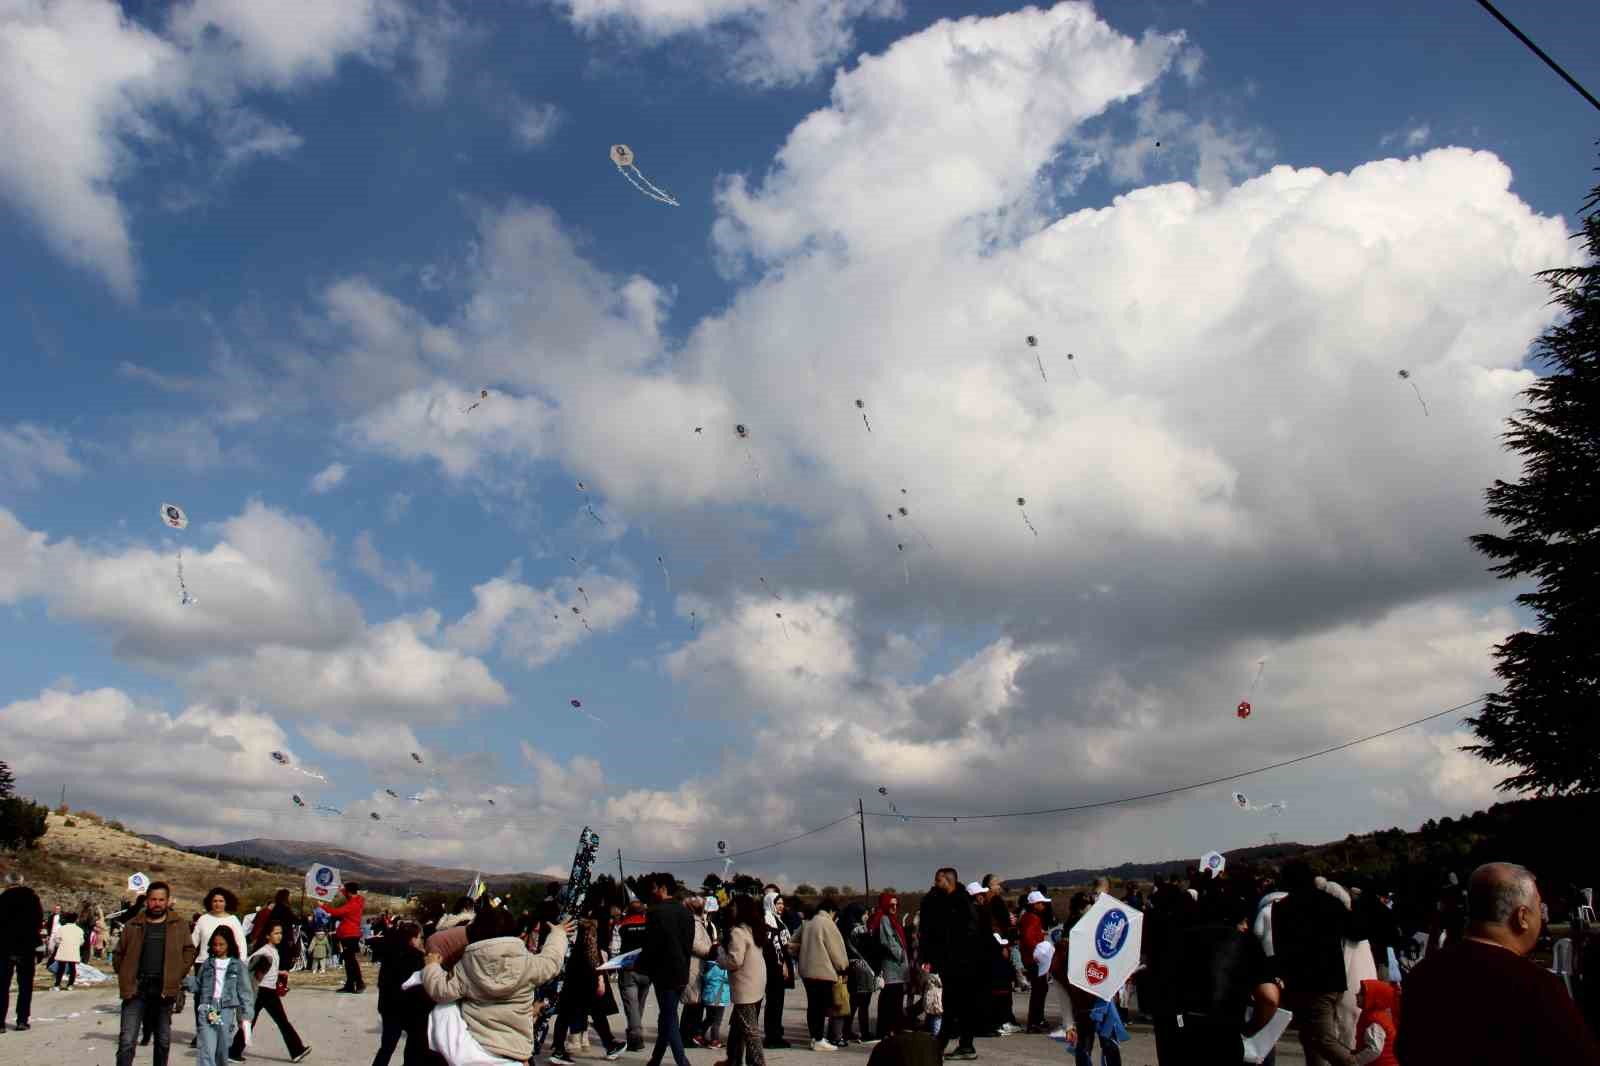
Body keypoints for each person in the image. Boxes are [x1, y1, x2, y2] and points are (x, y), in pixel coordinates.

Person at [1395, 862, 1600, 1064]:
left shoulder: (1422, 975)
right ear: (1522, 917)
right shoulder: (1537, 986)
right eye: (1538, 906)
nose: (1542, 917)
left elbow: (1406, 1050)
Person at [421, 904, 570, 1064]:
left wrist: (432, 966)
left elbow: (441, 990)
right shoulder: (528, 964)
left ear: (475, 932)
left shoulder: (467, 966)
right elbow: (552, 960)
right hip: (516, 1051)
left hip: (478, 1048)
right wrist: (558, 935)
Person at [1172, 890, 1281, 1066]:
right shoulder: (1245, 943)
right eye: (1244, 921)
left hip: (1180, 1030)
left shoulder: (1180, 939)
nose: (1246, 926)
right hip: (1225, 1032)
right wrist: (1251, 1028)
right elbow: (1269, 998)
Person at [1272, 862, 1357, 1066]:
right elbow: (1352, 930)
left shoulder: (1283, 908)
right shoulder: (1331, 902)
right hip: (1333, 977)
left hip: (1305, 982)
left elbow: (1281, 948)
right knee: (1313, 1038)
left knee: (1320, 1039)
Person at [114, 882, 197, 1066]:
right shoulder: (133, 925)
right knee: (127, 1039)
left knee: (163, 1040)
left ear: (167, 901)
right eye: (153, 899)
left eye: (161, 900)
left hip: (163, 990)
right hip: (136, 989)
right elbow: (119, 953)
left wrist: (177, 973)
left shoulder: (179, 925)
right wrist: (125, 974)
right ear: (146, 901)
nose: (157, 903)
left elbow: (189, 950)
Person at [916, 869, 980, 1061]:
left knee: (957, 1004)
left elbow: (968, 932)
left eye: (938, 880)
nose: (935, 883)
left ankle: (951, 1044)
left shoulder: (961, 902)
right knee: (953, 1004)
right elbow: (930, 931)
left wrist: (957, 954)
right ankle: (955, 1044)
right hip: (949, 962)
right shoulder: (940, 901)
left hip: (961, 963)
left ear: (948, 881)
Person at [229, 920, 310, 1063]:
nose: (279, 936)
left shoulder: (272, 950)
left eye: (280, 933)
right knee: (282, 1021)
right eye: (276, 933)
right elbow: (249, 967)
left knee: (252, 1021)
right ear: (268, 935)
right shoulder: (265, 952)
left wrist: (279, 972)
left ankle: (234, 1051)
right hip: (263, 991)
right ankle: (297, 1050)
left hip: (266, 990)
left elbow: (266, 969)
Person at [549, 917, 626, 1065]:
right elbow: (595, 963)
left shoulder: (574, 944)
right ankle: (610, 1045)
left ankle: (558, 1049)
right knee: (598, 1014)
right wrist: (601, 981)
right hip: (588, 985)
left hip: (572, 984)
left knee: (565, 1016)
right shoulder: (590, 943)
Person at [638, 874, 696, 1066]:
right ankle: (656, 1059)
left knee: (669, 1017)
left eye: (654, 888)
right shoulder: (686, 912)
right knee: (667, 1014)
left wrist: (638, 964)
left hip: (663, 972)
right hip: (682, 971)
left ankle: (682, 1062)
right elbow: (688, 944)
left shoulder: (655, 912)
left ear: (663, 888)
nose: (652, 892)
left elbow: (651, 946)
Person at [185, 926, 253, 1066]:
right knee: (206, 1047)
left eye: (221, 944)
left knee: (222, 1048)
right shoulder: (207, 964)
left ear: (229, 944)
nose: (217, 948)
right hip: (208, 1008)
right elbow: (198, 984)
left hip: (225, 1009)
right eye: (215, 944)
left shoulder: (238, 965)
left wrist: (246, 1016)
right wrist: (182, 980)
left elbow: (245, 992)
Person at [714, 894, 769, 1066]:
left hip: (745, 985)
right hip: (757, 982)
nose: (731, 908)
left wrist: (719, 956)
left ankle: (758, 1063)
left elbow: (734, 961)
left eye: (734, 906)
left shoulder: (737, 932)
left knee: (749, 1029)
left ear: (741, 909)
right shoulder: (753, 928)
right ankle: (733, 1059)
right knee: (738, 1025)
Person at [372, 920, 430, 1066]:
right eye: (420, 937)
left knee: (386, 1047)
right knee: (413, 1046)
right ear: (413, 938)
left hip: (389, 1007)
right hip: (410, 1009)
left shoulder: (389, 954)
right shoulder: (417, 957)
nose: (421, 941)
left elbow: (381, 983)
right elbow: (419, 986)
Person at [798, 896, 849, 1051]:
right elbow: (836, 949)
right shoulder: (827, 923)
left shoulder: (808, 922)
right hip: (823, 970)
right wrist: (843, 968)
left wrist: (805, 950)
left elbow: (792, 942)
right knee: (820, 1007)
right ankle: (819, 1039)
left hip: (806, 970)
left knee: (812, 1005)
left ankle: (815, 1037)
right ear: (831, 911)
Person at [0, 884, 43, 1032]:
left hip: (5, 947)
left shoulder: (3, 899)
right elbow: (38, 923)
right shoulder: (32, 899)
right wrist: (38, 946)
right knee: (25, 986)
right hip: (26, 947)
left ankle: (0, 1023)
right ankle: (22, 1020)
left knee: (2, 986)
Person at [867, 892, 910, 1040]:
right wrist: (901, 954)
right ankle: (888, 1029)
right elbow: (888, 941)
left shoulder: (892, 919)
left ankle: (891, 1028)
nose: (895, 907)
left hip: (896, 966)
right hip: (892, 966)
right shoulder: (885, 919)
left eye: (897, 904)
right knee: (891, 999)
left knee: (894, 998)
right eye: (891, 905)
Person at [618, 891, 653, 1051]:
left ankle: (636, 1037)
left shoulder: (622, 925)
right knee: (639, 1005)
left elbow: (614, 945)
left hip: (628, 969)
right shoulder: (650, 924)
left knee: (631, 1005)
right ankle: (634, 1033)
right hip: (647, 969)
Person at [761, 890, 794, 1049]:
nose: (781, 906)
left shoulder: (777, 919)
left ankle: (776, 1035)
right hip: (774, 968)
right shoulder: (768, 920)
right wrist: (782, 963)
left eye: (782, 903)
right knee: (773, 1002)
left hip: (780, 966)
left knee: (778, 1002)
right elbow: (771, 947)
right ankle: (771, 1037)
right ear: (770, 904)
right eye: (778, 903)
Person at [324, 882, 366, 993]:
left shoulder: (352, 904)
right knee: (348, 961)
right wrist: (341, 888)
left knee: (351, 961)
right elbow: (347, 894)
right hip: (351, 934)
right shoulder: (359, 899)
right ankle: (350, 984)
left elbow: (336, 912)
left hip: (349, 934)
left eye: (345, 891)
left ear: (348, 892)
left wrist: (322, 906)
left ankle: (359, 983)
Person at [1019, 892, 1049, 1033]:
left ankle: (1037, 1019)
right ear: (1034, 905)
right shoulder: (1033, 918)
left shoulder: (1026, 917)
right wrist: (1039, 950)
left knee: (1041, 988)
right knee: (1039, 990)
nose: (1044, 905)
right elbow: (1028, 937)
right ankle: (1034, 1022)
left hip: (1029, 958)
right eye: (1041, 903)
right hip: (1034, 959)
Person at [1351, 979, 1398, 1066]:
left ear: (1374, 998)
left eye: (1362, 994)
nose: (1357, 995)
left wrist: (1354, 1061)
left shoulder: (1375, 1020)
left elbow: (1374, 1050)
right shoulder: (1373, 1014)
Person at [51, 911, 85, 989]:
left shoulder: (62, 928)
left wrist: (61, 943)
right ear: (76, 920)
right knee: (72, 968)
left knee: (61, 968)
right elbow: (81, 941)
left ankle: (57, 985)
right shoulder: (79, 930)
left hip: (63, 950)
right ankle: (70, 985)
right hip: (74, 951)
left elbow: (56, 939)